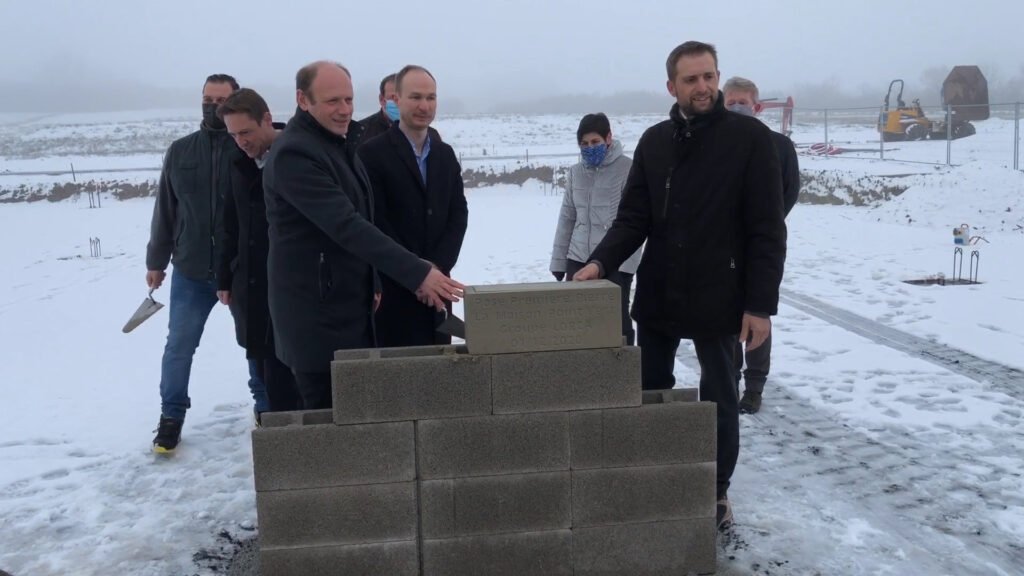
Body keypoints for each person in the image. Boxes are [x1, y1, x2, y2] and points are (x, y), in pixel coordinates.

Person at [573, 41, 787, 531]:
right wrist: (600, 261)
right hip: (662, 293)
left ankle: (715, 490)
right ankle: (653, 477)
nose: (703, 87)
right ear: (672, 87)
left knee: (720, 397)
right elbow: (633, 218)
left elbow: (767, 228)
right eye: (691, 79)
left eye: (709, 76)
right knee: (650, 390)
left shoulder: (749, 139)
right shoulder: (655, 142)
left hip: (723, 295)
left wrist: (759, 304)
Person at [263, 61, 464, 409]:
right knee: (333, 429)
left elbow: (365, 217)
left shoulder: (337, 145)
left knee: (358, 424)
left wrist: (376, 281)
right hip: (317, 319)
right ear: (302, 99)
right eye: (332, 101)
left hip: (349, 310)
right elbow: (347, 226)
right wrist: (418, 272)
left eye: (348, 100)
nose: (344, 111)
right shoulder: (296, 153)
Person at [145, 73, 241, 454]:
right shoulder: (181, 150)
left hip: (238, 271)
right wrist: (157, 259)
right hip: (190, 268)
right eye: (207, 98)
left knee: (258, 344)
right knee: (179, 346)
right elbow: (166, 209)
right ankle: (171, 416)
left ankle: (266, 408)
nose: (212, 105)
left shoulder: (246, 147)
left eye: (221, 100)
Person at [359, 65, 468, 347]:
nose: (424, 106)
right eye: (416, 97)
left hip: (439, 292)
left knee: (441, 378)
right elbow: (375, 221)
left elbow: (458, 214)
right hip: (394, 291)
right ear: (396, 99)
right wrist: (417, 273)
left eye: (430, 98)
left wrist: (438, 267)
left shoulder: (444, 154)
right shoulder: (372, 153)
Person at [215, 87, 300, 421]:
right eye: (233, 135)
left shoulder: (297, 156)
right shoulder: (238, 163)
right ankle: (276, 434)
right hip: (251, 283)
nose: (241, 142)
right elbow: (229, 224)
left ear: (267, 120)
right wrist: (225, 277)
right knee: (266, 371)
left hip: (294, 287)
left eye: (246, 132)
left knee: (297, 377)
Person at [722, 76, 800, 415]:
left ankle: (754, 386)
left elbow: (789, 191)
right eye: (731, 102)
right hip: (721, 245)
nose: (737, 107)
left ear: (756, 106)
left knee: (756, 314)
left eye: (743, 102)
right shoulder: (714, 143)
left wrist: (763, 224)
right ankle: (728, 381)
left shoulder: (779, 146)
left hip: (758, 248)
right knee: (724, 318)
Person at [549, 112, 641, 345]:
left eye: (595, 142)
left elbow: (634, 221)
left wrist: (626, 268)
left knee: (616, 323)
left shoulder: (628, 169)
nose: (590, 148)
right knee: (575, 321)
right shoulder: (575, 173)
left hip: (614, 260)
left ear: (608, 138)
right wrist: (559, 262)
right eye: (584, 144)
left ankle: (624, 368)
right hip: (578, 256)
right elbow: (567, 218)